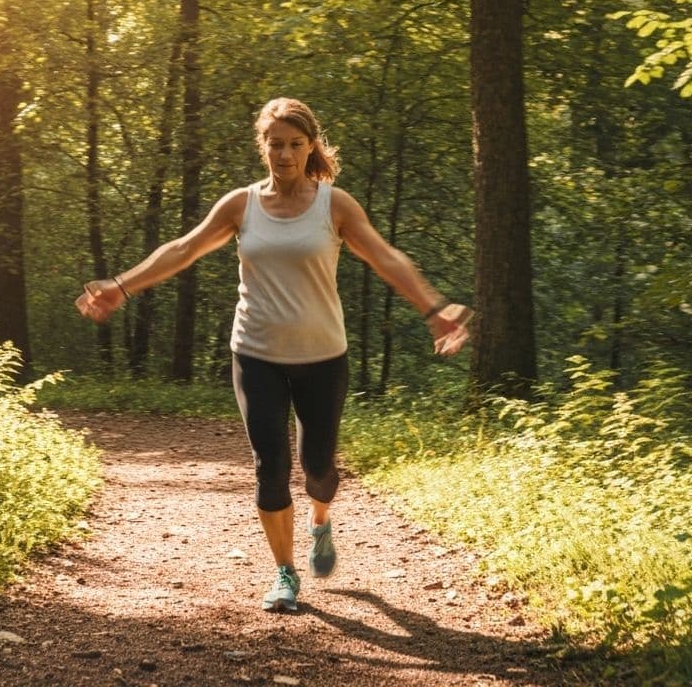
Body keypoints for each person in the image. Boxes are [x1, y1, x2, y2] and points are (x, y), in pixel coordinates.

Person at [75, 97, 472, 612]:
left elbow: (385, 257)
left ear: (311, 147)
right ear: (262, 146)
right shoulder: (242, 205)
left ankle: (320, 521)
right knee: (270, 464)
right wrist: (121, 286)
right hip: (255, 354)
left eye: (295, 144)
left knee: (319, 466)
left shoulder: (336, 205)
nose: (285, 155)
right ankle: (285, 572)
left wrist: (433, 308)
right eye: (276, 144)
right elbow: (182, 249)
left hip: (323, 356)